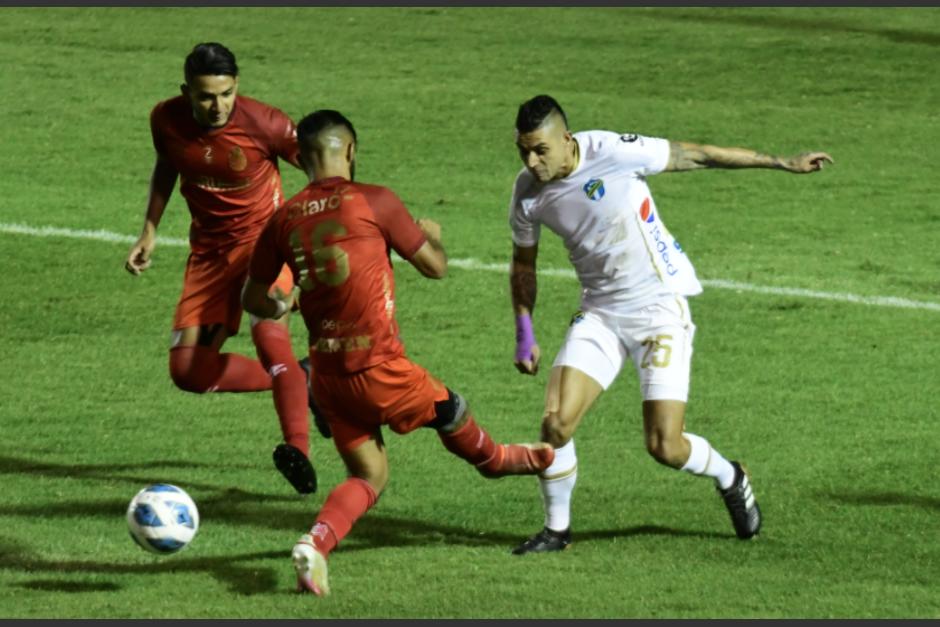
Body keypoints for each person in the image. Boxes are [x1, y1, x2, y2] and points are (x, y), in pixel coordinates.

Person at [242, 109, 555, 595]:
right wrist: (431, 236)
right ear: (350, 151)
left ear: (299, 159)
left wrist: (284, 299)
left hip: (326, 376)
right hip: (378, 366)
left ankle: (315, 545)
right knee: (451, 409)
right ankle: (496, 460)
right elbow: (435, 268)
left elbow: (253, 298)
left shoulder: (282, 219)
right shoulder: (375, 200)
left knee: (370, 473)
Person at [506, 94, 833, 554]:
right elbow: (523, 265)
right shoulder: (527, 193)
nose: (531, 161)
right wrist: (525, 330)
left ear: (565, 139)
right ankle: (556, 531)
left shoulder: (612, 151)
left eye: (540, 149)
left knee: (664, 444)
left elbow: (693, 154)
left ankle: (730, 475)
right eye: (523, 150)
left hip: (658, 307)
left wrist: (780, 162)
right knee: (556, 424)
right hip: (599, 310)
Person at [124, 42, 322, 494]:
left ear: (238, 87)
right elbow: (167, 164)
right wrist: (149, 229)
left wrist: (308, 232)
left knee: (270, 338)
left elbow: (322, 171)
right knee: (188, 370)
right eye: (207, 97)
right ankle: (305, 376)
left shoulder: (266, 123)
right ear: (186, 93)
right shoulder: (165, 119)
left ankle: (298, 449)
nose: (218, 106)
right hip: (210, 256)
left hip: (265, 247)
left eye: (227, 94)